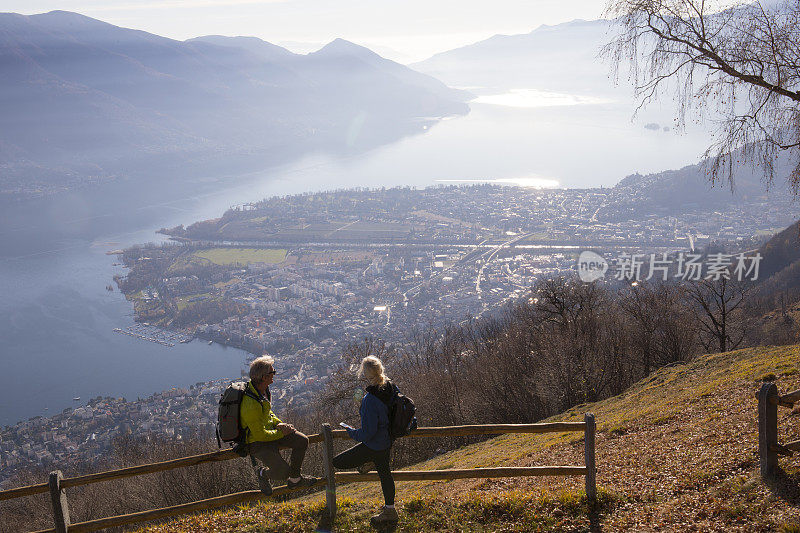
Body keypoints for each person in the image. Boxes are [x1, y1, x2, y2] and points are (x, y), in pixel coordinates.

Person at [240, 355, 319, 495]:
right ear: (264, 377)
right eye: (273, 372)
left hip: (271, 432)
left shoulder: (262, 390)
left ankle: (295, 479)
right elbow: (260, 435)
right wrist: (282, 433)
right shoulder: (250, 403)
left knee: (302, 441)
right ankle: (262, 473)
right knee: (282, 473)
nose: (274, 374)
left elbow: (268, 413)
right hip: (256, 442)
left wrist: (281, 424)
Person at [333, 355, 398, 525]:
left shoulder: (370, 400)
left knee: (337, 462)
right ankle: (390, 510)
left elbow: (368, 433)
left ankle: (370, 460)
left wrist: (351, 432)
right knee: (385, 475)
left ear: (365, 374)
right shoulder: (391, 388)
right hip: (387, 442)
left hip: (374, 445)